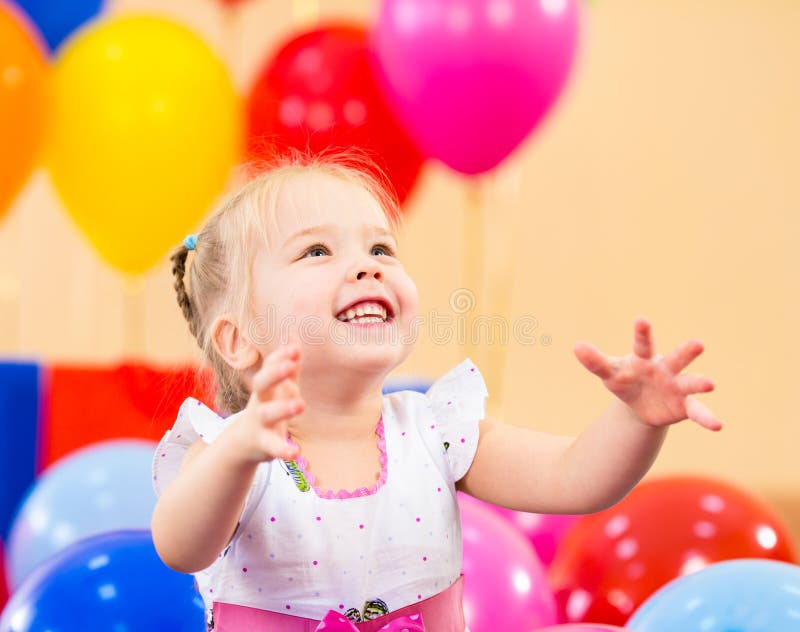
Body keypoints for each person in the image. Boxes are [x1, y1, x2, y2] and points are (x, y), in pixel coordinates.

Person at [150, 151, 723, 631]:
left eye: (380, 250)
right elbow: (182, 546)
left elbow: (575, 477)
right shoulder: (231, 453)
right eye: (316, 252)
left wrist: (637, 421)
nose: (366, 268)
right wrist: (237, 453)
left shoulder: (433, 432)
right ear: (238, 340)